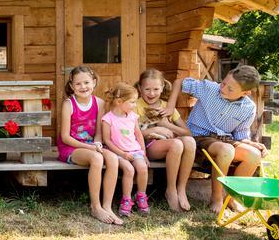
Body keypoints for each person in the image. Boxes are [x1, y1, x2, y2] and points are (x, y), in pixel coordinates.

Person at [164, 65, 268, 213]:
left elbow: (240, 135)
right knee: (226, 150)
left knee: (253, 155)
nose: (224, 88)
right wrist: (170, 106)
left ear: (245, 93)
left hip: (226, 140)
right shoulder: (210, 89)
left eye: (230, 89)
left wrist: (253, 144)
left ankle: (231, 198)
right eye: (224, 83)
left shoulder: (248, 107)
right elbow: (179, 82)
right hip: (199, 138)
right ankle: (216, 198)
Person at [57, 66, 123, 226]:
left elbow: (99, 133)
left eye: (86, 82)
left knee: (113, 158)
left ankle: (107, 205)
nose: (83, 87)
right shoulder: (68, 104)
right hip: (72, 147)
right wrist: (91, 148)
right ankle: (95, 206)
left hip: (91, 145)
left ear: (94, 82)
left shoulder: (99, 103)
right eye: (78, 84)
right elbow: (65, 137)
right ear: (72, 86)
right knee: (96, 158)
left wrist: (97, 143)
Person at [136, 69, 197, 212]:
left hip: (170, 145)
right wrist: (153, 130)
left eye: (156, 89)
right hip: (146, 146)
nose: (152, 93)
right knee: (176, 143)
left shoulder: (167, 107)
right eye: (147, 89)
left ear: (162, 87)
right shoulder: (135, 105)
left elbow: (188, 133)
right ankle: (170, 190)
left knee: (190, 142)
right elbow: (128, 133)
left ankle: (181, 188)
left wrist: (167, 125)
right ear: (140, 88)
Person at [100, 82, 150, 217]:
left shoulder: (133, 116)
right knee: (129, 170)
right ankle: (126, 200)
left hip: (135, 150)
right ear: (119, 101)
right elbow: (107, 140)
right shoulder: (108, 119)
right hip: (118, 152)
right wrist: (122, 154)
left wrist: (143, 153)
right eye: (132, 102)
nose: (135, 105)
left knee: (142, 168)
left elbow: (138, 135)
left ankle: (141, 196)